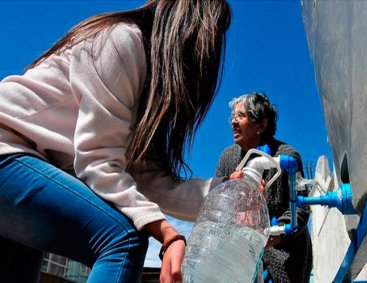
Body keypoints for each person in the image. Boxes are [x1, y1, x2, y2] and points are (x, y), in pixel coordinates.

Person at [0, 1, 231, 282]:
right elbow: (97, 162)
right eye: (213, 32)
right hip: (8, 150)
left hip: (21, 165)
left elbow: (147, 181)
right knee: (123, 239)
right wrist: (167, 233)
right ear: (189, 25)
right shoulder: (123, 40)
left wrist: (227, 193)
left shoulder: (145, 90)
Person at [215, 92, 313, 283]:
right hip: (239, 257)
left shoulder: (286, 156)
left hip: (282, 257)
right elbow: (218, 202)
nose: (233, 122)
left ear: (261, 125)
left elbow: (302, 207)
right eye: (233, 117)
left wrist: (278, 232)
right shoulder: (227, 158)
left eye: (240, 116)